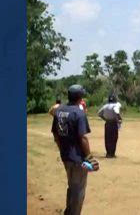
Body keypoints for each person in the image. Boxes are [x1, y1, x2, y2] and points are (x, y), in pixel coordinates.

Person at [51, 84, 99, 215]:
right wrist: (89, 156)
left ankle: (69, 212)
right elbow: (82, 138)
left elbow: (55, 134)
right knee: (78, 190)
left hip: (65, 156)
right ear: (80, 97)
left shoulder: (59, 111)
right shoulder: (79, 113)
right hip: (78, 158)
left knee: (72, 186)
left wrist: (62, 149)